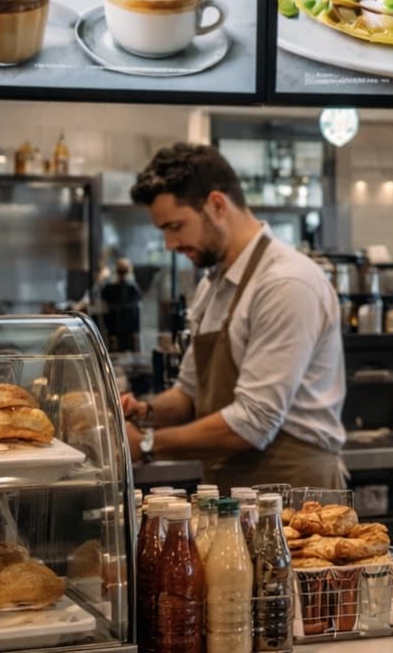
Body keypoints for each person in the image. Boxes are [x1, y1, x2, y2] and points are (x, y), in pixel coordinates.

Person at [119, 143, 346, 489]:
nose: (169, 244)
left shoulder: (286, 283)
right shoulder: (213, 285)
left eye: (176, 226)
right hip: (231, 490)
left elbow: (254, 422)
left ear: (217, 205)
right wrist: (146, 414)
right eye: (163, 231)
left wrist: (148, 444)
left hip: (295, 495)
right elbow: (189, 394)